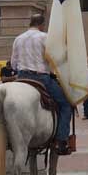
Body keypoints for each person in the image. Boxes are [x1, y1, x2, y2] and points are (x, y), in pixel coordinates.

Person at [11, 12, 74, 155]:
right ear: (42, 25)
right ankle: (61, 140)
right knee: (65, 104)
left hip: (21, 77)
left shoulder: (18, 39)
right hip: (41, 78)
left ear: (30, 23)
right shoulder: (44, 37)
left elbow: (14, 64)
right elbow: (53, 59)